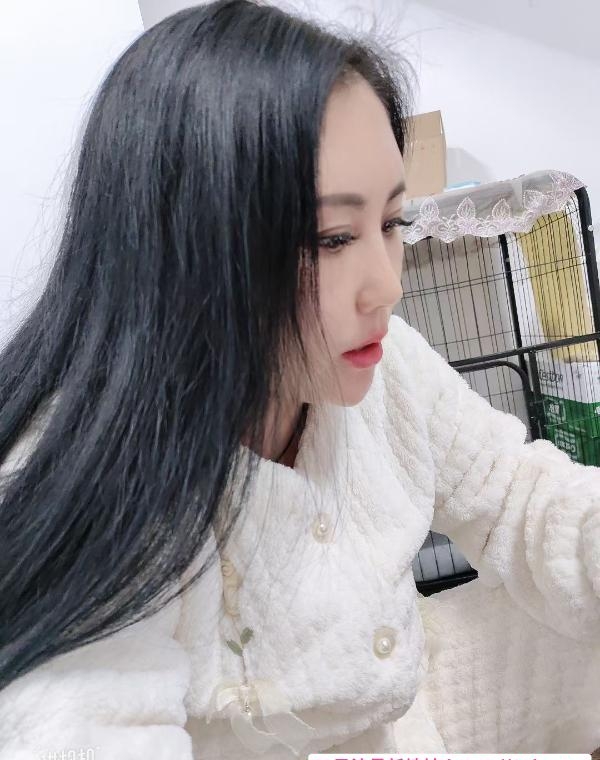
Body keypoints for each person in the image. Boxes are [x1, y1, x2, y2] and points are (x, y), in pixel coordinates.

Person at [1, 1, 600, 757]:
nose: (387, 286)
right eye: (333, 238)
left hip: (404, 718)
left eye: (393, 223)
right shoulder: (96, 475)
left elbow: (521, 495)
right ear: (186, 247)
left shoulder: (386, 362)